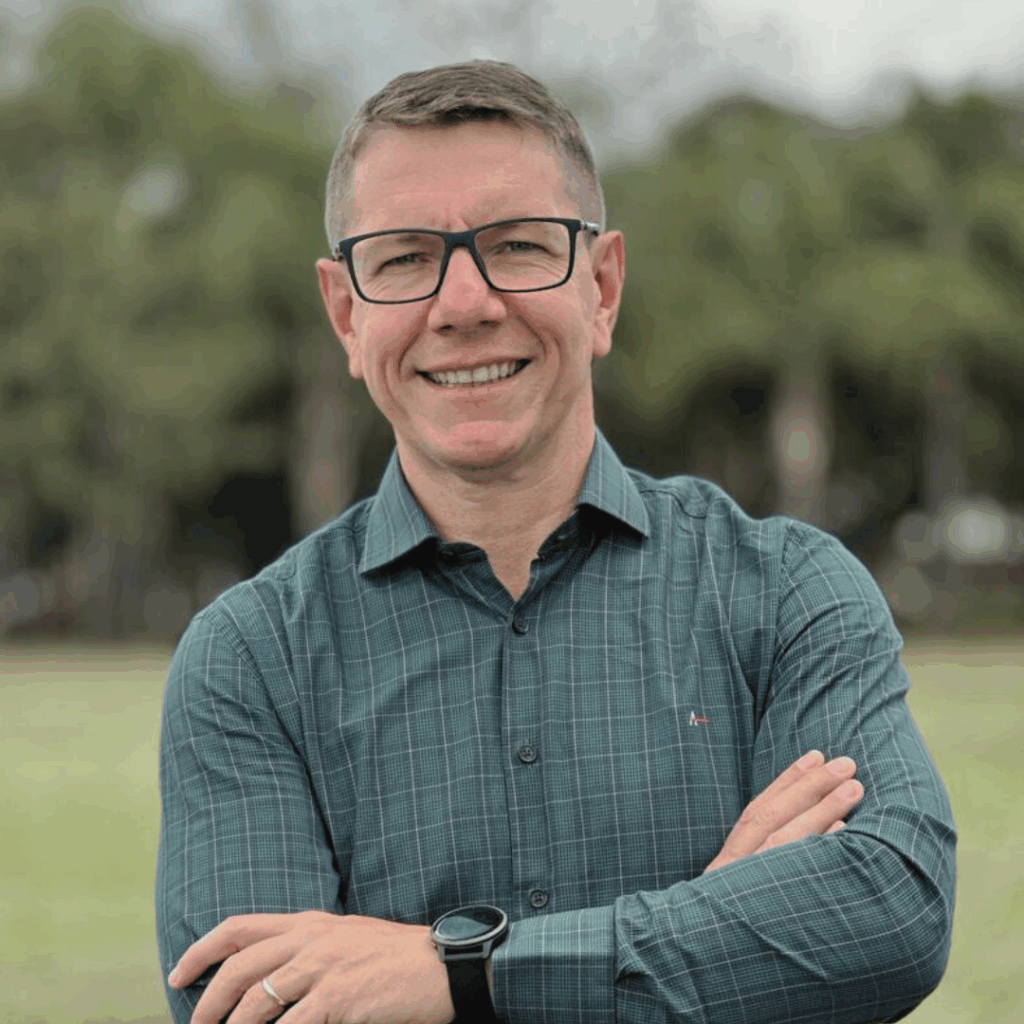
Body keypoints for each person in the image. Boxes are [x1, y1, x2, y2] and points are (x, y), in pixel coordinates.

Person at [155, 60, 956, 1024]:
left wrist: (455, 976)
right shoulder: (250, 660)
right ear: (346, 314)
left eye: (518, 246)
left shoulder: (786, 593)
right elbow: (248, 1011)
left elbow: (889, 910)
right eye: (404, 259)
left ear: (602, 288)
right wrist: (713, 939)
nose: (464, 303)